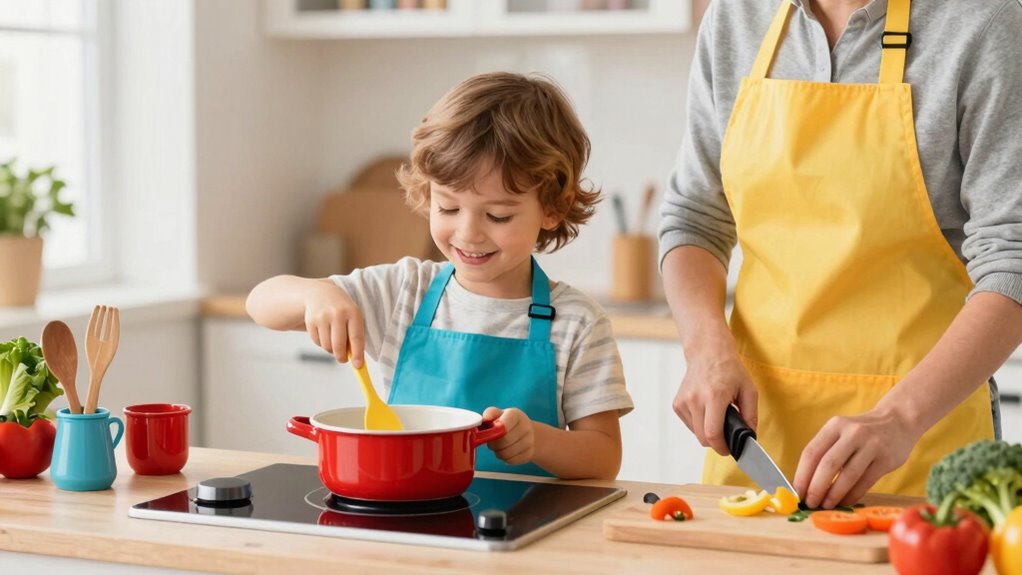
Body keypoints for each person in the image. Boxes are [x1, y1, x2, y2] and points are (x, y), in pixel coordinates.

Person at [659, 0, 1022, 508]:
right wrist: (705, 347)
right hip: (757, 437)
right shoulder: (736, 16)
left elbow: (1012, 261)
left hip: (921, 436)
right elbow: (694, 216)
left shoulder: (983, 22)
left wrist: (899, 418)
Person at [247, 72, 634, 480]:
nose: (468, 232)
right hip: (409, 513)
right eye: (448, 208)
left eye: (497, 215)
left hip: (527, 522)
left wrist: (539, 441)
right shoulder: (404, 291)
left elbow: (604, 457)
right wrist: (316, 294)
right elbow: (261, 303)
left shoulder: (577, 323)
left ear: (554, 207)